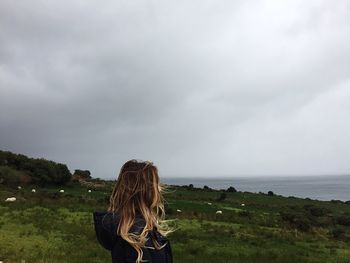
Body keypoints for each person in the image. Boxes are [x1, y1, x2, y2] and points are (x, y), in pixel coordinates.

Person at [93, 159, 174, 263]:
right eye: (155, 184)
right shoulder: (135, 237)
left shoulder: (133, 231)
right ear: (145, 191)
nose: (159, 189)